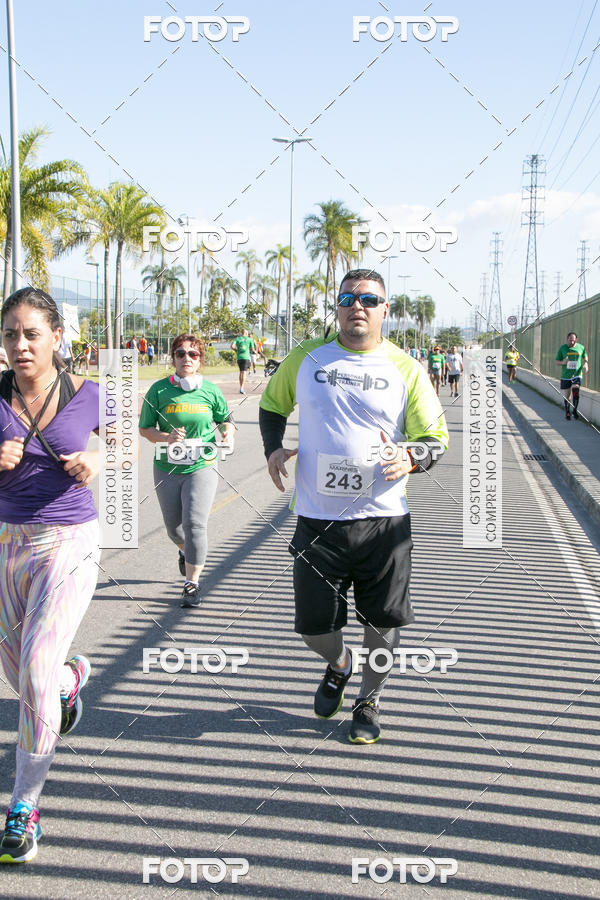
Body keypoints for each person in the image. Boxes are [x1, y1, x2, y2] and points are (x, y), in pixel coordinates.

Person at [259, 269, 448, 744]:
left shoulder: (406, 368)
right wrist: (273, 448)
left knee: (383, 624)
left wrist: (411, 455)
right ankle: (339, 664)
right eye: (347, 299)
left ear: (385, 309)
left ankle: (368, 699)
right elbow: (272, 406)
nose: (356, 306)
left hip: (383, 521)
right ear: (337, 307)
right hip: (318, 520)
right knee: (313, 627)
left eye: (368, 299)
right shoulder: (306, 357)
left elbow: (434, 437)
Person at [0, 287, 101, 863]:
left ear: (57, 337)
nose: (20, 345)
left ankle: (24, 806)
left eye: (32, 334)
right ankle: (69, 680)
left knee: (33, 672)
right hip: (7, 541)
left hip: (69, 540)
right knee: (23, 676)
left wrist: (97, 460)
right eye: (10, 334)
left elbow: (126, 450)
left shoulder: (88, 394)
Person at [139, 334, 235, 607]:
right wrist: (166, 437)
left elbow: (225, 419)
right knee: (174, 529)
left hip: (202, 464)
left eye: (193, 354)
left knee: (194, 524)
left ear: (200, 359)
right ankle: (185, 551)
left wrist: (228, 432)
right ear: (173, 358)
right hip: (167, 467)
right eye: (180, 353)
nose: (186, 358)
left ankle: (191, 584)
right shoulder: (158, 391)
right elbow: (145, 429)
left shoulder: (211, 390)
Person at [556, 331, 589, 420]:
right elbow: (557, 361)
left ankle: (575, 410)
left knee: (576, 390)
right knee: (567, 396)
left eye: (574, 340)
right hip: (566, 375)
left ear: (576, 340)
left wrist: (586, 363)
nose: (572, 342)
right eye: (570, 340)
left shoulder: (581, 347)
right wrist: (563, 362)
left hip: (577, 374)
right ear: (567, 339)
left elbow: (585, 356)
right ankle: (567, 411)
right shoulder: (563, 348)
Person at [231, 328, 256, 394]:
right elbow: (252, 349)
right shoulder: (249, 340)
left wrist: (237, 350)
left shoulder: (237, 339)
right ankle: (242, 388)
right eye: (247, 333)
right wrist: (254, 352)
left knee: (241, 372)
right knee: (244, 372)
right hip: (246, 357)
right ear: (246, 333)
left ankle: (241, 387)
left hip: (239, 358)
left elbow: (232, 346)